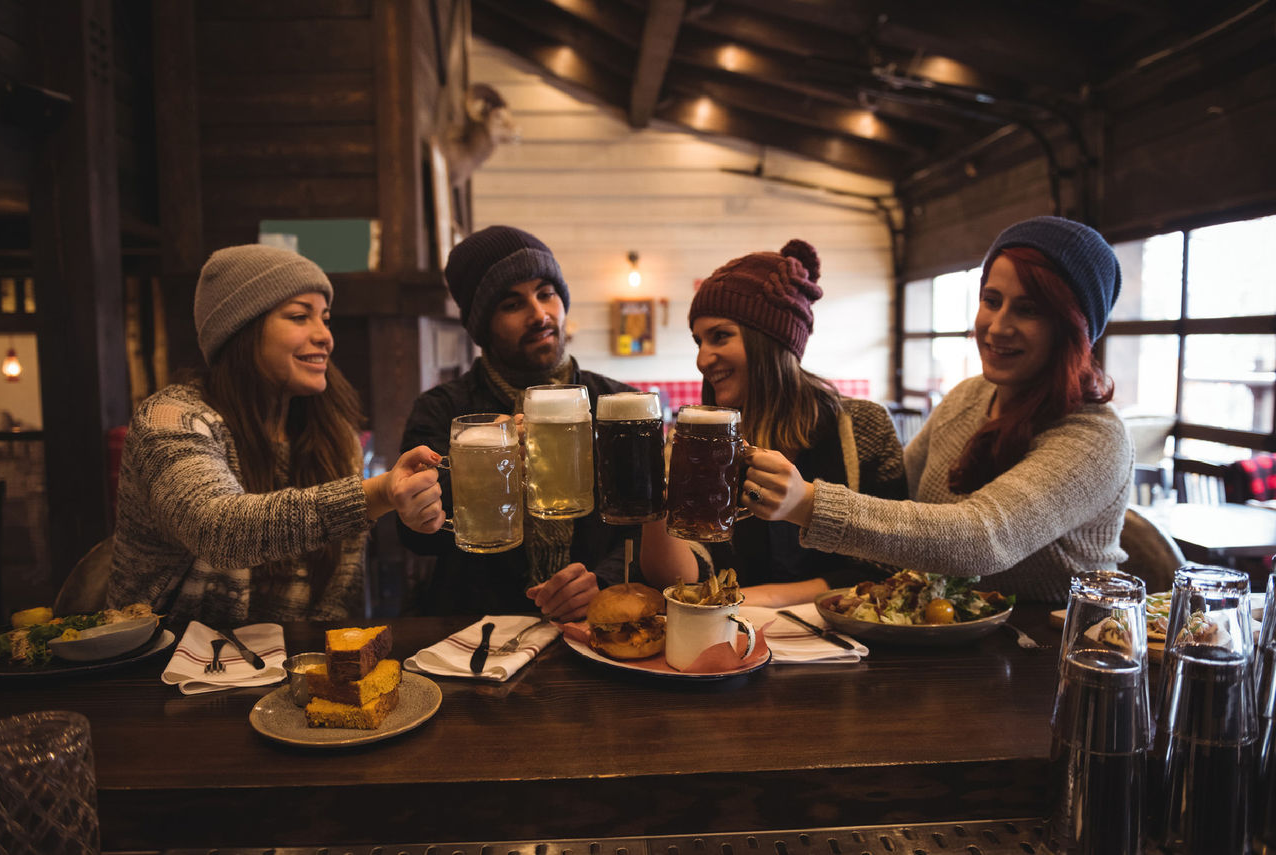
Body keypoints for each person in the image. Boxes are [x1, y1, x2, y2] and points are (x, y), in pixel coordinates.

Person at [742, 216, 1133, 602]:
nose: (998, 327)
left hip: (1060, 649)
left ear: (1072, 327)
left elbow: (982, 538)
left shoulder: (1096, 436)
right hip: (950, 639)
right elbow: (897, 502)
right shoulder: (969, 397)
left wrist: (808, 503)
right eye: (991, 301)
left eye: (1028, 309)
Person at [107, 245, 446, 624]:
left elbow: (339, 589)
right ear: (241, 329)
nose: (325, 337)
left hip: (288, 665)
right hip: (156, 667)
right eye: (300, 316)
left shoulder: (334, 435)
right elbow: (218, 530)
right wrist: (377, 493)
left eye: (326, 319)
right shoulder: (170, 419)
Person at [398, 225, 694, 620]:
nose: (539, 315)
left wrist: (601, 582)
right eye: (511, 304)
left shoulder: (618, 406)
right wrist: (488, 468)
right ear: (481, 325)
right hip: (478, 627)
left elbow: (643, 524)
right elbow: (415, 537)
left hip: (599, 626)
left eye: (546, 293)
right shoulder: (443, 410)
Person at [641, 239, 909, 608]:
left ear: (769, 339)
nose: (702, 359)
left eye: (719, 336)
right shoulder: (699, 440)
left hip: (848, 646)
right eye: (698, 341)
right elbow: (682, 579)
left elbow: (888, 565)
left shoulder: (862, 427)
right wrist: (651, 486)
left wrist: (755, 598)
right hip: (728, 644)